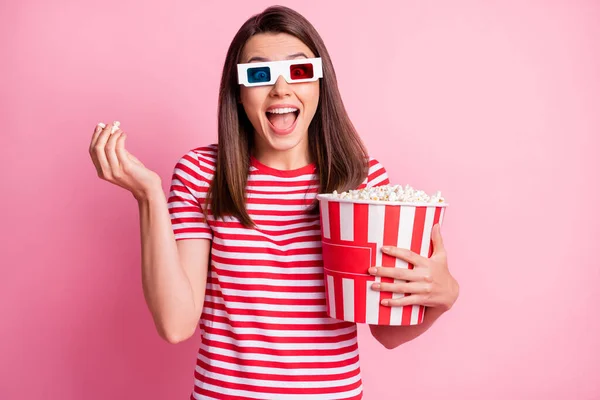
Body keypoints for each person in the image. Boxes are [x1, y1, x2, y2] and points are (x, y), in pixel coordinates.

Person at [88, 5, 459, 399]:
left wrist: (444, 295)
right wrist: (148, 197)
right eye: (259, 74)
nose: (281, 89)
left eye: (299, 71)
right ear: (239, 92)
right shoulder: (202, 173)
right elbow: (176, 323)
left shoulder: (363, 182)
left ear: (320, 83)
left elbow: (386, 332)